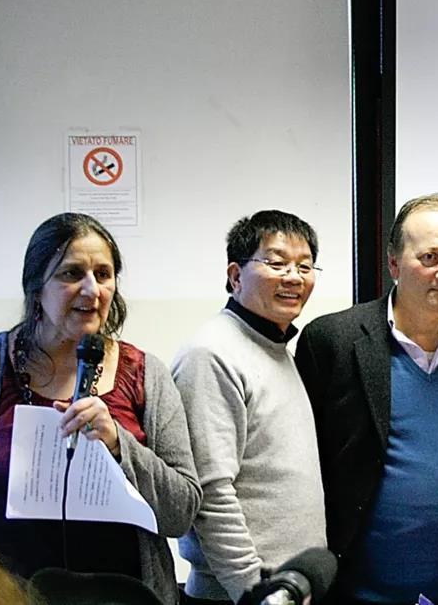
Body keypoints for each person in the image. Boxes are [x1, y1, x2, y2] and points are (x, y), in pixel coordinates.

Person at [0, 212, 201, 605]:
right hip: (2, 596)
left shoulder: (146, 374)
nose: (92, 289)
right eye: (72, 273)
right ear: (36, 287)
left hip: (125, 596)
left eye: (104, 274)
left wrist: (119, 443)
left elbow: (181, 513)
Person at [295, 193, 438, 605]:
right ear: (394, 263)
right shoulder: (332, 342)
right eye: (430, 257)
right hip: (358, 591)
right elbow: (308, 468)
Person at [171, 210, 325, 604]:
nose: (293, 277)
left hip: (285, 590)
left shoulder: (276, 349)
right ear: (236, 276)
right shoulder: (212, 354)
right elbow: (211, 492)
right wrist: (254, 590)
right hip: (240, 596)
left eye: (304, 266)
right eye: (276, 263)